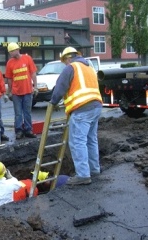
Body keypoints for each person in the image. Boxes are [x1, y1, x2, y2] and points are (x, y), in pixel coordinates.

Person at [50, 46, 103, 185]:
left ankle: (83, 175)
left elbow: (60, 87)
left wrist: (53, 102)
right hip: (96, 106)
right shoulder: (89, 67)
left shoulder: (71, 67)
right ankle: (94, 170)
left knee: (78, 141)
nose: (65, 64)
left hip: (82, 109)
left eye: (64, 61)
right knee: (91, 140)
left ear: (68, 58)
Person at [5, 42, 38, 139]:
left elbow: (33, 73)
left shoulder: (27, 58)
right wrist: (9, 92)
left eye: (12, 51)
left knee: (27, 112)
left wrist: (35, 86)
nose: (11, 53)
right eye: (10, 52)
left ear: (17, 50)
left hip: (27, 91)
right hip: (16, 93)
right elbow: (9, 79)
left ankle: (28, 130)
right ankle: (19, 130)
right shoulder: (10, 63)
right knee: (18, 113)